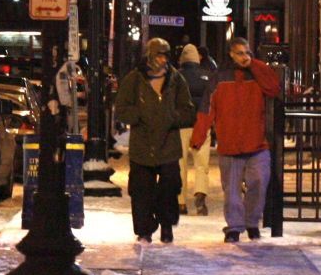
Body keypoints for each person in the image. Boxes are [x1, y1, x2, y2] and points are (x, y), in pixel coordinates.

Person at [191, 37, 281, 242]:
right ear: (231, 54)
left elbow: (273, 87)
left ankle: (251, 222)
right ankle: (234, 226)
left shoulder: (257, 74)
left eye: (247, 52)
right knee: (231, 191)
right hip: (230, 144)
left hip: (256, 142)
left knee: (259, 183)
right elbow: (207, 109)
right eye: (240, 53)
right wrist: (199, 135)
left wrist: (255, 65)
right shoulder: (219, 78)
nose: (245, 57)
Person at [113, 36, 197, 243]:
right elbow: (122, 109)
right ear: (150, 56)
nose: (162, 60)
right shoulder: (134, 79)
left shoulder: (176, 79)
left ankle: (166, 225)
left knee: (169, 188)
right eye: (159, 55)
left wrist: (170, 117)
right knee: (141, 190)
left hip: (168, 145)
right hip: (142, 145)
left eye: (165, 55)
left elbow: (188, 111)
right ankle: (144, 229)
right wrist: (140, 115)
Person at [177, 44, 215, 215]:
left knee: (180, 164)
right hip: (201, 125)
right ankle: (200, 195)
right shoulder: (207, 76)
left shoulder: (176, 77)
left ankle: (180, 202)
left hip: (181, 126)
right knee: (201, 164)